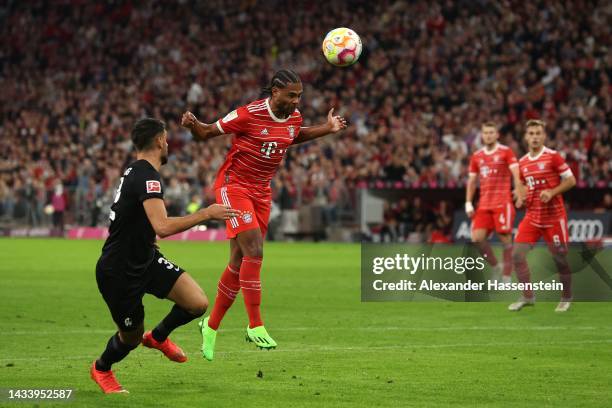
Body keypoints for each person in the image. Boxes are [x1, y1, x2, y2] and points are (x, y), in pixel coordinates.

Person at [181, 69, 347, 360]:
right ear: (274, 92)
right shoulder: (249, 114)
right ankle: (255, 324)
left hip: (261, 192)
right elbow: (206, 133)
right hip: (234, 187)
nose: (296, 101)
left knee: (238, 260)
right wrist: (193, 124)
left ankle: (211, 325)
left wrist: (327, 128)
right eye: (291, 95)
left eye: (300, 96)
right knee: (255, 251)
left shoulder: (294, 118)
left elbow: (293, 135)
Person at [91, 118, 239, 393]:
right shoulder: (147, 176)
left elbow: (138, 220)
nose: (168, 143)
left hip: (144, 257)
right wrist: (206, 213)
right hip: (119, 271)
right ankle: (102, 368)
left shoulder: (137, 172)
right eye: (167, 139)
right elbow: (163, 226)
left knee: (196, 303)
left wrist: (147, 241)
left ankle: (158, 337)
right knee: (131, 338)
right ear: (160, 141)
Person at [509, 119, 576, 312]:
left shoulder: (553, 157)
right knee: (517, 255)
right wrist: (520, 197)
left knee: (560, 260)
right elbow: (521, 184)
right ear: (526, 137)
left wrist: (552, 192)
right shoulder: (522, 162)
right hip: (532, 217)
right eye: (531, 134)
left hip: (554, 218)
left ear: (544, 136)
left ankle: (566, 296)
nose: (535, 137)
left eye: (538, 133)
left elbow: (571, 180)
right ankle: (527, 296)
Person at [466, 122, 525, 282]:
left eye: (491, 132)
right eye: (485, 133)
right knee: (477, 239)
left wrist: (519, 191)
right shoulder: (477, 156)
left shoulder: (506, 152)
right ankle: (495, 266)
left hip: (502, 202)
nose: (488, 135)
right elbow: (472, 181)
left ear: (497, 135)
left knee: (505, 238)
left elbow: (516, 172)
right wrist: (468, 202)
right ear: (482, 135)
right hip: (484, 204)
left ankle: (506, 277)